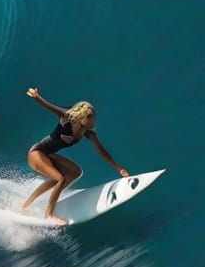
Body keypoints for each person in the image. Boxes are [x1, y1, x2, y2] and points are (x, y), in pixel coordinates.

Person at [22, 87, 129, 225]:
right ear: (82, 116)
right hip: (36, 153)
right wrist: (37, 97)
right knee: (60, 178)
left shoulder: (88, 133)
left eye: (92, 118)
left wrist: (119, 168)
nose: (92, 121)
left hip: (48, 155)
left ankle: (26, 204)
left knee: (75, 172)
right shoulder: (66, 117)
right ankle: (48, 214)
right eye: (89, 118)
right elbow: (50, 107)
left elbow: (101, 151)